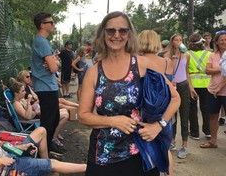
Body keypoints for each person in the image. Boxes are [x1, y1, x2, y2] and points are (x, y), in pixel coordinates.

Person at [78, 11, 180, 176]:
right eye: (111, 30)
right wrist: (113, 121)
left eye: (122, 31)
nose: (116, 35)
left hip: (141, 153)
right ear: (103, 33)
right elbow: (83, 116)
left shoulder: (143, 65)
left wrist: (158, 126)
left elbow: (175, 98)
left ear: (129, 34)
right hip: (103, 156)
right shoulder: (94, 72)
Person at [0, 105, 86, 176]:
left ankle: (44, 165)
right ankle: (88, 168)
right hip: (10, 165)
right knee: (54, 164)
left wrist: (20, 147)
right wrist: (1, 160)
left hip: (11, 155)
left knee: (41, 130)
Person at [138, 29, 174, 176]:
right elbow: (171, 84)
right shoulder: (167, 62)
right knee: (165, 146)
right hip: (166, 108)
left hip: (145, 109)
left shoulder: (137, 61)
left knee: (146, 145)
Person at [31, 12, 60, 152]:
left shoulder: (44, 41)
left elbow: (56, 65)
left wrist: (54, 62)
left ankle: (47, 147)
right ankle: (44, 154)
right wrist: (54, 62)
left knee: (54, 119)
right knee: (48, 122)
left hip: (49, 86)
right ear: (42, 25)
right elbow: (54, 67)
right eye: (51, 22)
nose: (53, 25)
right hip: (45, 87)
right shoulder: (41, 42)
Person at [164, 33, 192, 159]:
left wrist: (191, 88)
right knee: (172, 115)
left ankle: (185, 145)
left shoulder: (186, 55)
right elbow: (167, 71)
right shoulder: (167, 56)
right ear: (172, 41)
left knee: (185, 114)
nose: (179, 42)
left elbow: (186, 72)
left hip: (183, 85)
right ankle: (172, 141)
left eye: (181, 40)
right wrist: (173, 58)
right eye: (176, 40)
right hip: (172, 86)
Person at [200, 30, 226, 148]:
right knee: (213, 116)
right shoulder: (213, 55)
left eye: (225, 40)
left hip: (224, 91)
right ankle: (213, 141)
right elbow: (207, 70)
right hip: (212, 90)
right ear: (216, 42)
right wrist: (222, 69)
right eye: (221, 40)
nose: (224, 42)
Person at [187, 33, 211, 140]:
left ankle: (194, 133)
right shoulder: (208, 54)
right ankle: (208, 131)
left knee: (192, 109)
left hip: (192, 84)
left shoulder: (187, 54)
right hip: (207, 83)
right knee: (206, 108)